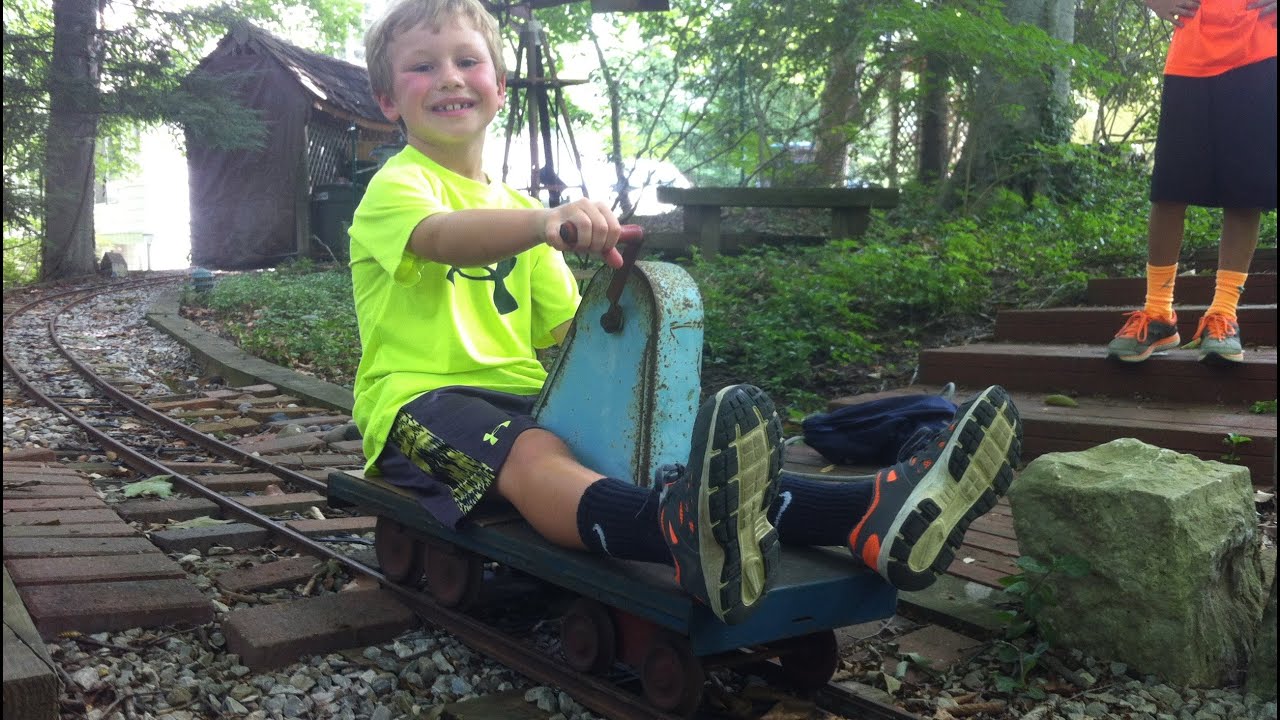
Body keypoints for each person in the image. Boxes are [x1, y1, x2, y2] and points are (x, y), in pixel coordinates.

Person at [349, 0, 1024, 625]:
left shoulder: (516, 204)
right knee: (537, 452)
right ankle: (671, 530)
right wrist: (544, 220)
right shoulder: (398, 186)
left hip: (523, 395)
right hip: (418, 405)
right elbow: (440, 238)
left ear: (498, 87)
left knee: (670, 460)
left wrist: (640, 361)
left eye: (468, 61)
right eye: (423, 67)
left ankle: (867, 511)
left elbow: (569, 336)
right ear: (388, 99)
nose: (449, 78)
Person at [1106, 0, 1276, 364]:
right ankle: (1158, 315)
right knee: (1169, 189)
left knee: (1245, 192)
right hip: (1190, 53)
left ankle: (1223, 314)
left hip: (1262, 48)